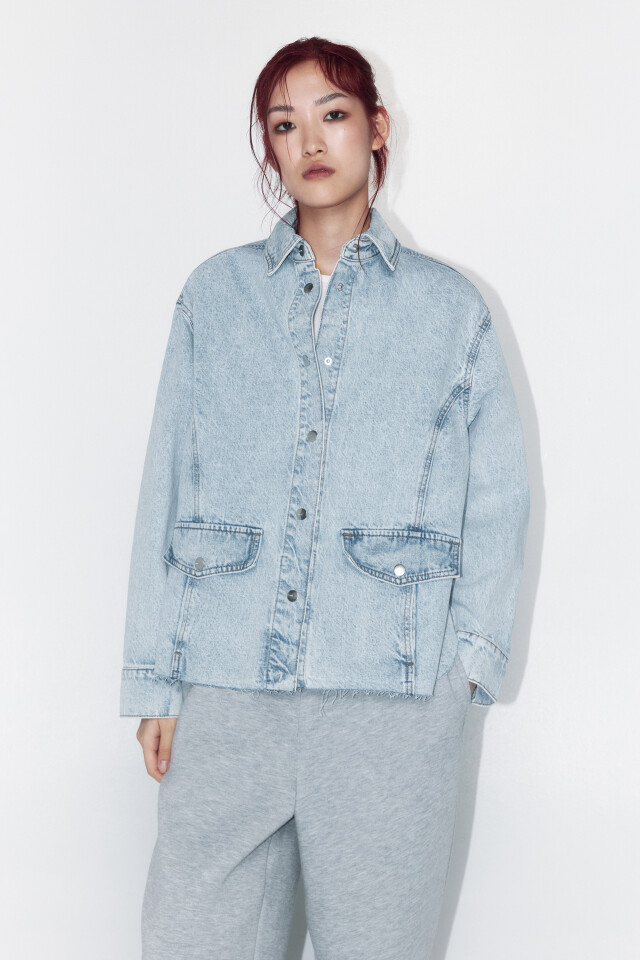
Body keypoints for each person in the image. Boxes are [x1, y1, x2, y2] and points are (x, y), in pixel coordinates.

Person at [120, 36, 530, 960]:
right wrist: (155, 679)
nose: (309, 141)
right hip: (226, 688)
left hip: (389, 702)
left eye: (333, 115)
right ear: (269, 147)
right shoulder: (214, 296)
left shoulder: (450, 309)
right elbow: (167, 480)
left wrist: (464, 670)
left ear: (377, 128)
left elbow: (500, 497)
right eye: (283, 124)